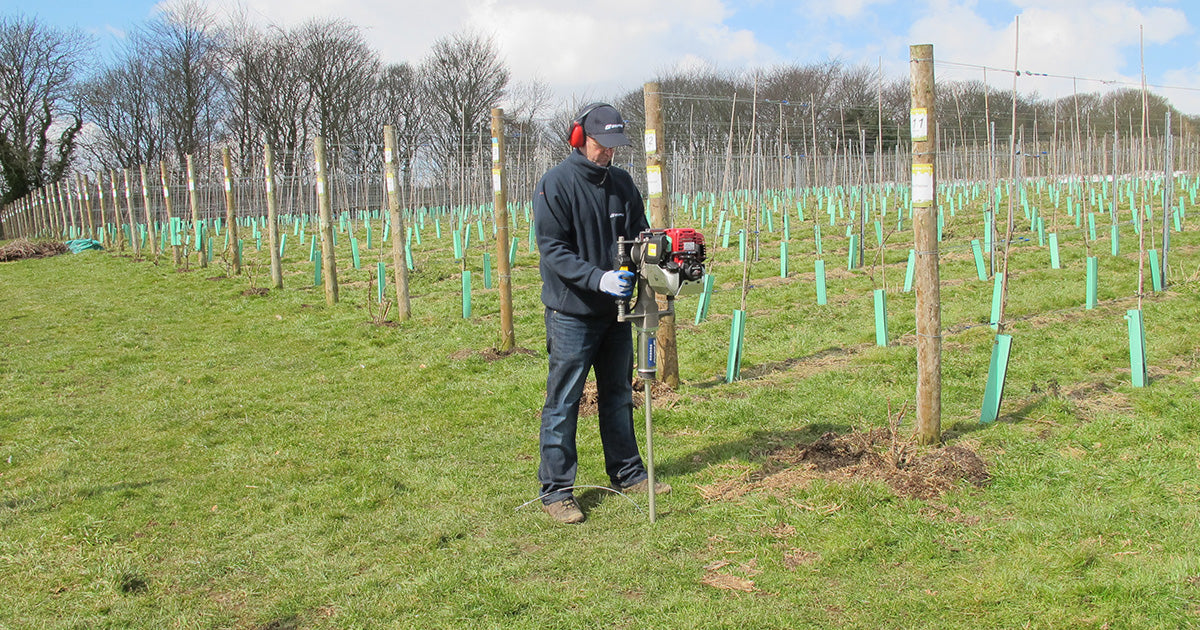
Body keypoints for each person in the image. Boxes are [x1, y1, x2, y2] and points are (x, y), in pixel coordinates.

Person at [533, 102, 671, 524]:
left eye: (615, 146)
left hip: (617, 314)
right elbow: (553, 250)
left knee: (617, 395)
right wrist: (598, 279)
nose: (609, 153)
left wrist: (656, 254)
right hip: (572, 313)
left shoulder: (624, 184)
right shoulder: (555, 185)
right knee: (565, 401)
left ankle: (628, 473)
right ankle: (557, 491)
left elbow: (641, 234)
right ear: (580, 139)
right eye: (601, 145)